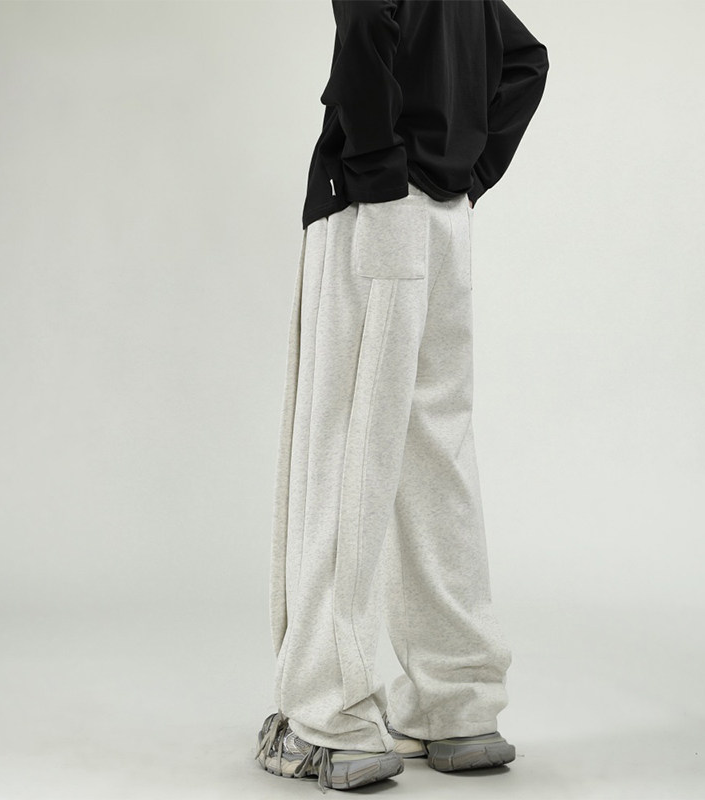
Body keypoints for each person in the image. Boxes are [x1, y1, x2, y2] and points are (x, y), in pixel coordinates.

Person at [255, 0, 549, 791]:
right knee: (436, 456)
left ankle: (330, 720)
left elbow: (363, 36)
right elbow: (525, 61)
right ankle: (458, 706)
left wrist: (380, 177)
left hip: (375, 214)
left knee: (345, 451)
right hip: (447, 221)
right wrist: (468, 173)